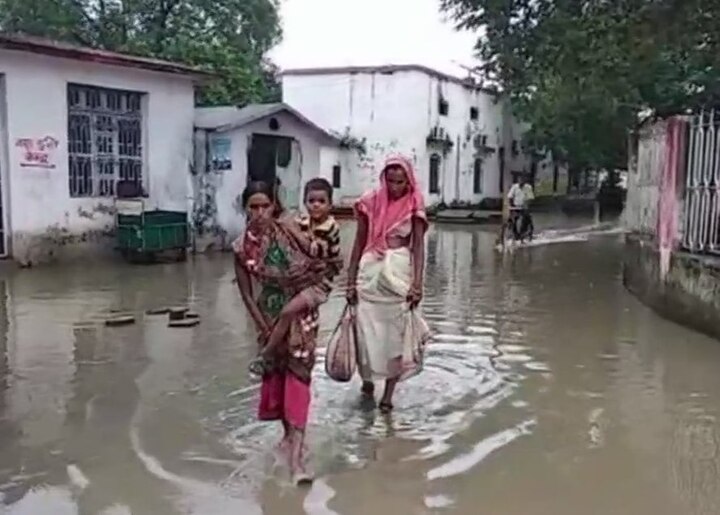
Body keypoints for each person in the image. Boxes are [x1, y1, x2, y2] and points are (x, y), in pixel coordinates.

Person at [232, 180, 329, 485]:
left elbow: (318, 267)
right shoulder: (240, 247)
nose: (260, 213)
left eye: (265, 206)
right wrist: (263, 327)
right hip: (268, 317)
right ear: (245, 209)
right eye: (253, 207)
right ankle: (289, 437)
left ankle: (297, 459)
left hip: (301, 316)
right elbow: (247, 294)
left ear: (274, 206)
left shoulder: (292, 233)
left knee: (298, 380)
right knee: (277, 381)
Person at [346, 155, 429, 414]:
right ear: (384, 178)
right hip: (370, 271)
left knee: (396, 334)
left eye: (400, 182)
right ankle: (368, 380)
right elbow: (359, 242)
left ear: (408, 180)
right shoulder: (369, 203)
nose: (395, 187)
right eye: (390, 181)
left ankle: (388, 395)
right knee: (365, 330)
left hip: (399, 272)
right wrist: (350, 281)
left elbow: (418, 247)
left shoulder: (414, 203)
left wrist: (417, 284)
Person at [248, 177, 342, 377]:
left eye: (321, 201)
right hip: (299, 283)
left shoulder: (330, 227)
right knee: (282, 313)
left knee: (287, 312)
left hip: (318, 286)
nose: (315, 205)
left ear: (330, 205)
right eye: (311, 201)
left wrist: (292, 231)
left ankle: (266, 353)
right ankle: (273, 354)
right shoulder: (303, 222)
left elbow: (315, 251)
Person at [507, 173, 535, 241]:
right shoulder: (514, 187)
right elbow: (510, 196)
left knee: (525, 217)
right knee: (512, 218)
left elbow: (530, 198)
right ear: (518, 181)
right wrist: (511, 204)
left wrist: (526, 204)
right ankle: (514, 232)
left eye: (522, 180)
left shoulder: (528, 187)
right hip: (516, 206)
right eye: (520, 180)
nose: (521, 182)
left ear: (525, 181)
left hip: (524, 206)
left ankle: (523, 232)